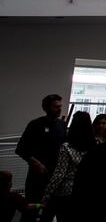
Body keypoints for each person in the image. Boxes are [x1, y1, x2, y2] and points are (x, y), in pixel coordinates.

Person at [15, 94, 66, 222]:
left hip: (54, 178)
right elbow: (20, 149)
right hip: (36, 177)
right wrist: (36, 163)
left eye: (60, 106)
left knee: (48, 213)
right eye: (56, 107)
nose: (59, 109)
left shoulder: (62, 125)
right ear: (46, 108)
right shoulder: (35, 124)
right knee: (30, 212)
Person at [42, 111, 94, 222]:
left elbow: (59, 174)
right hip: (85, 193)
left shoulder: (67, 147)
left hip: (65, 193)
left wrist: (47, 193)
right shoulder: (94, 147)